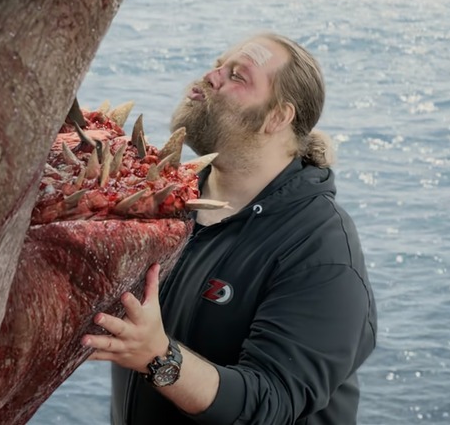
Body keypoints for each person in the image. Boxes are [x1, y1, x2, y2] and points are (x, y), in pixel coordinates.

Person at [81, 32, 377, 424]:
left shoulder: (321, 252)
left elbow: (272, 402)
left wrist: (159, 358)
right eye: (219, 64)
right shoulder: (169, 202)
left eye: (237, 75)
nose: (211, 75)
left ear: (278, 117)